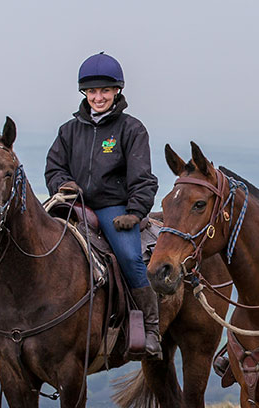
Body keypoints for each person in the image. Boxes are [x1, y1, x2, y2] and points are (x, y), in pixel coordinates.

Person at [45, 52, 162, 359]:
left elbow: (143, 179)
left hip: (114, 208)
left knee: (129, 257)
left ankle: (151, 329)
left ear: (116, 92)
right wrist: (62, 185)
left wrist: (134, 213)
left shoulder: (131, 129)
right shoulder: (68, 131)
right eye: (92, 91)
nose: (98, 97)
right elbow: (54, 167)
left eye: (105, 91)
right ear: (85, 93)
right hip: (75, 204)